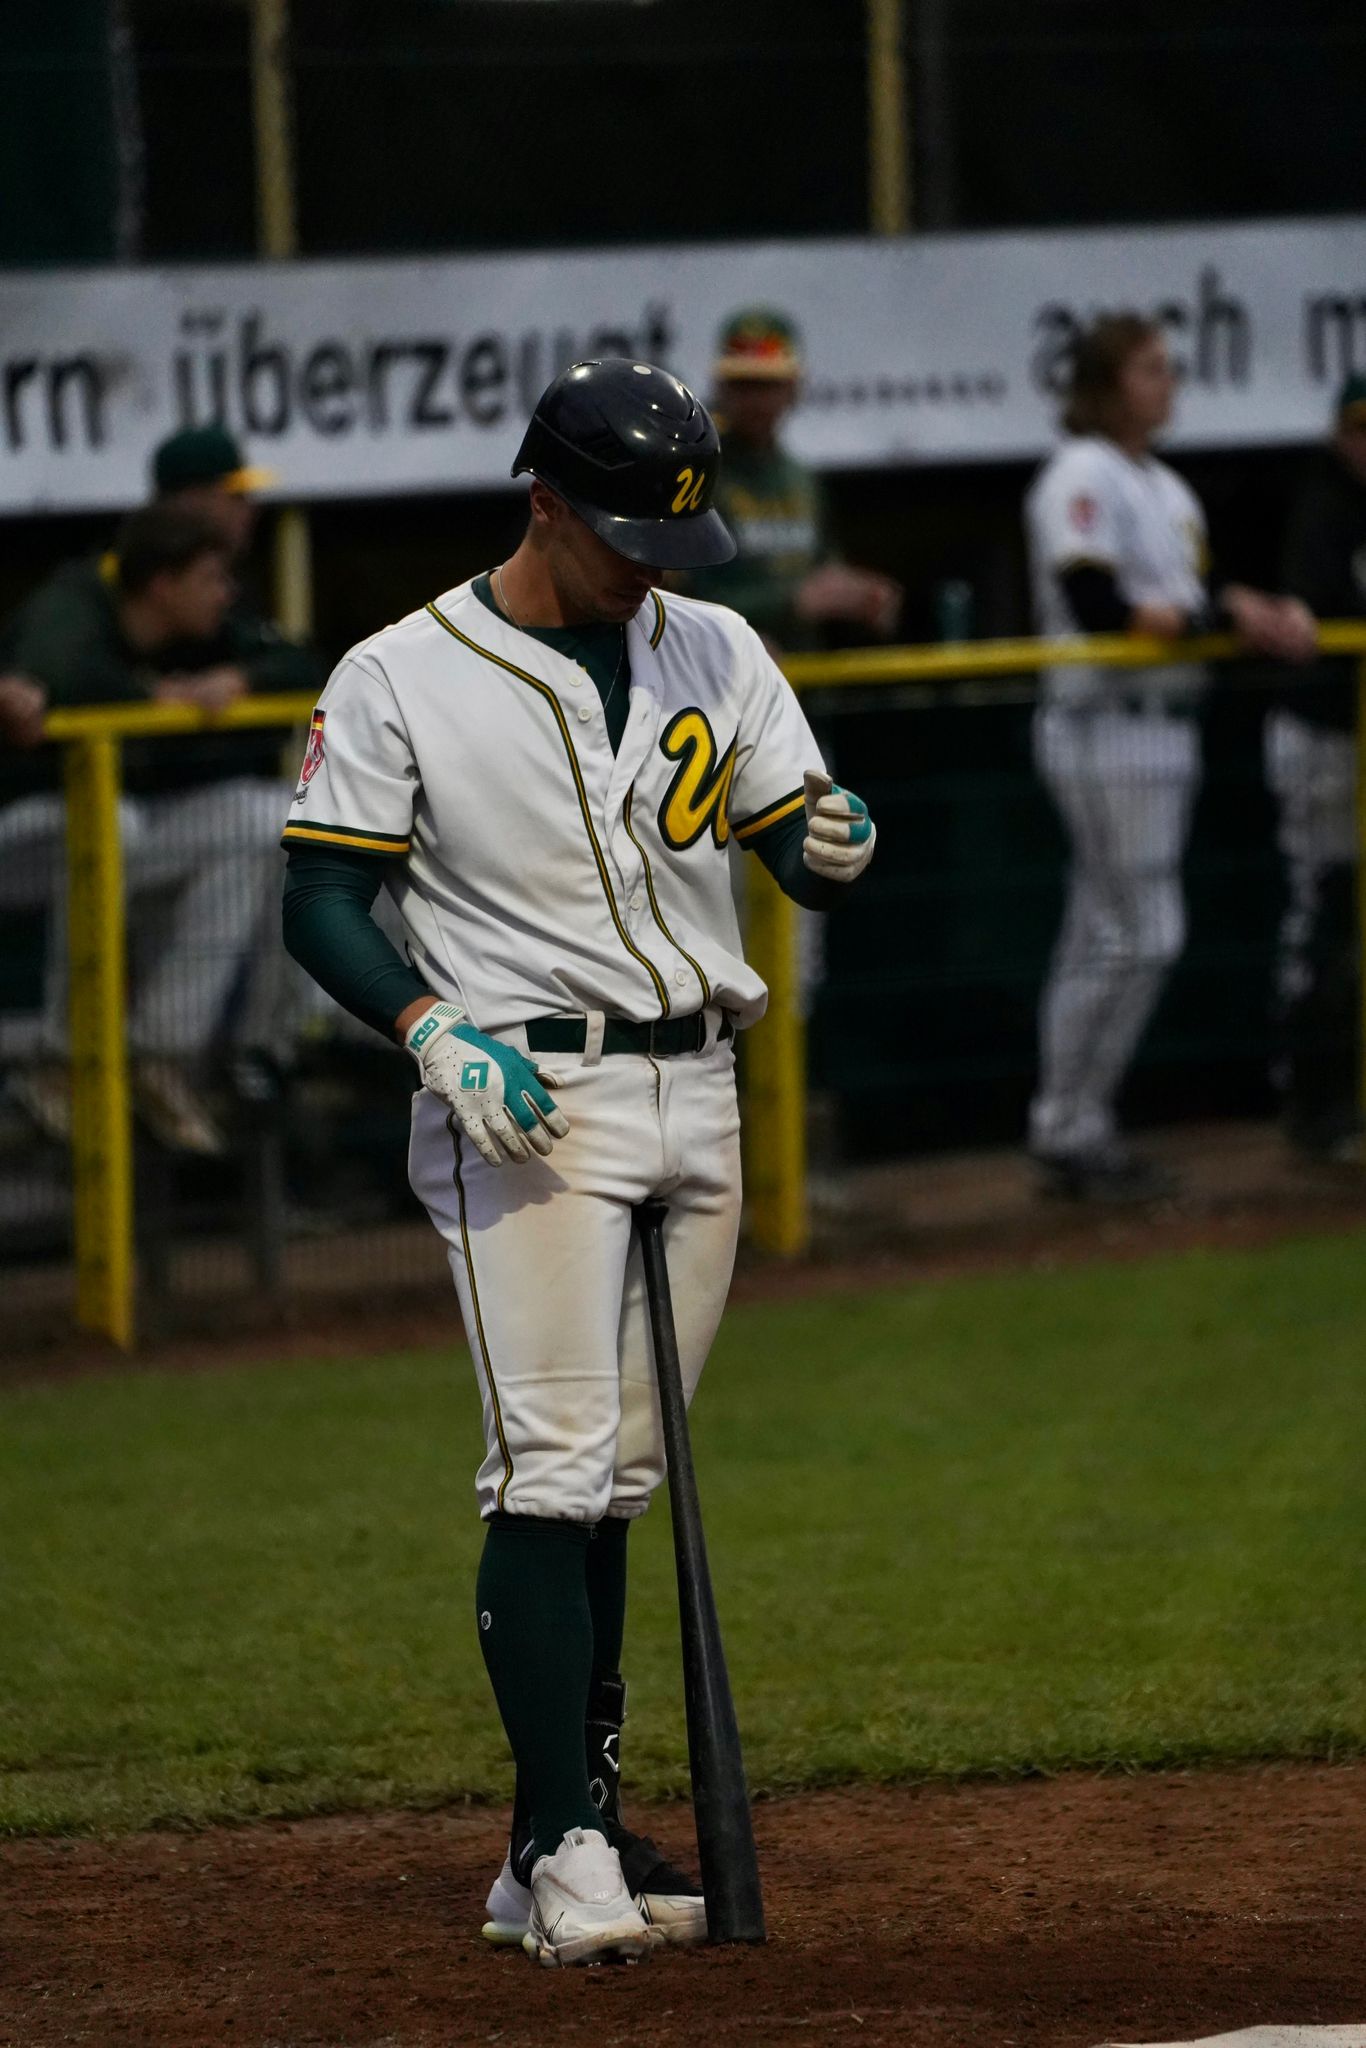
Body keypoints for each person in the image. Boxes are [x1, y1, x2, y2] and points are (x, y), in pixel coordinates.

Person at [281, 358, 877, 1967]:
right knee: (548, 1470)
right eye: (626, 534)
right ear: (542, 500)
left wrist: (829, 844)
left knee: (619, 1475)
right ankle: (561, 1844)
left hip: (702, 1089)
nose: (651, 567)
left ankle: (562, 1832)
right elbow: (320, 899)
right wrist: (430, 1030)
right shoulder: (402, 672)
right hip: (524, 1099)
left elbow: (793, 837)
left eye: (676, 536)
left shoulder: (715, 643)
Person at [1025, 312, 1316, 1202]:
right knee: (1144, 933)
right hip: (1106, 722)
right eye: (1150, 368)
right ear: (1107, 385)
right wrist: (1220, 614)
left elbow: (1188, 595)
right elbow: (1096, 603)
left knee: (1100, 933)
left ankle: (1071, 1126)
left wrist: (1253, 608)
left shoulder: (1166, 487)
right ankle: (1072, 1127)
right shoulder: (1081, 472)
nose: (1168, 381)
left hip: (1160, 727)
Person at [0, 504, 299, 1153]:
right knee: (111, 823)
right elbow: (60, 679)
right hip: (19, 831)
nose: (226, 594)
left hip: (102, 833)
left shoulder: (206, 632)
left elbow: (307, 664)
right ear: (164, 584)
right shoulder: (74, 604)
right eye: (211, 579)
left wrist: (240, 677)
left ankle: (162, 1052)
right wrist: (158, 698)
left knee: (261, 818)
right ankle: (63, 1061)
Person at [1265, 373, 1366, 1161]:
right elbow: (1311, 607)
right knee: (1325, 918)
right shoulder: (1323, 507)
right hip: (1324, 740)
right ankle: (1315, 1105)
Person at [682, 307, 901, 653]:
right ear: (720, 388)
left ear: (794, 388)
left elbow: (826, 570)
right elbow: (681, 598)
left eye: (767, 385)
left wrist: (862, 596)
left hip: (806, 673)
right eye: (743, 385)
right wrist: (792, 602)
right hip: (721, 668)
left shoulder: (802, 480)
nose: (755, 400)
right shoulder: (697, 477)